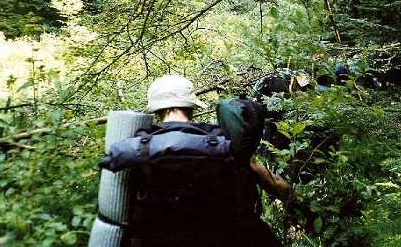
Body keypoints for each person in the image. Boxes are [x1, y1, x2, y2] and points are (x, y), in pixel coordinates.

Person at [102, 74, 290, 246]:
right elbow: (271, 182)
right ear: (191, 105)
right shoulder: (220, 142)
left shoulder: (137, 147)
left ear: (156, 109)